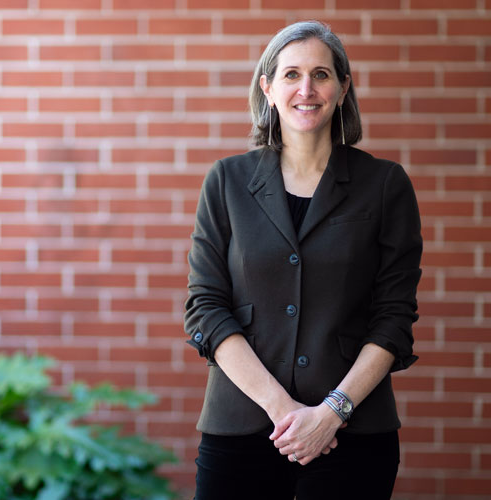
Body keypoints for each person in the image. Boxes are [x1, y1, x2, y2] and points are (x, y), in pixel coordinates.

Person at [184, 20, 422, 500]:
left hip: (353, 434)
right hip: (242, 427)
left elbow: (393, 318)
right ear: (268, 88)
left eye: (321, 74)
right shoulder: (227, 181)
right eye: (291, 75)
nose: (306, 89)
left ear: (343, 88)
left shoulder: (385, 185)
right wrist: (284, 411)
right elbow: (206, 307)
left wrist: (331, 412)